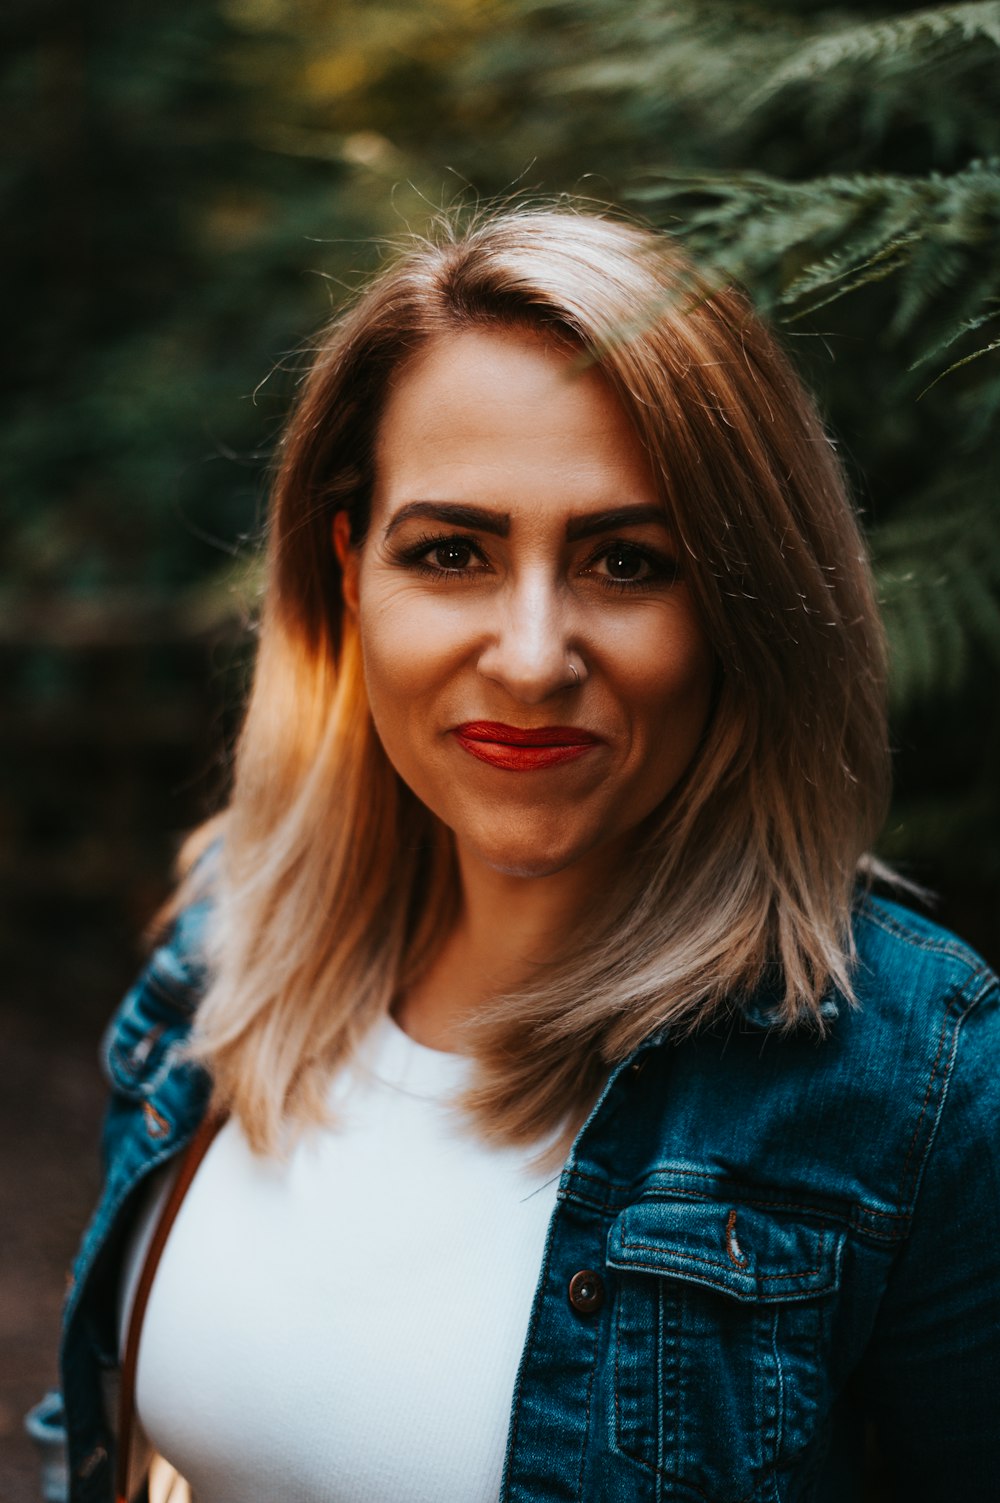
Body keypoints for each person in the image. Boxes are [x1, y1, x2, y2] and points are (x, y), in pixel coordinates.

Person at [45, 206, 999, 1503]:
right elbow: (91, 1425)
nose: (535, 656)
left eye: (626, 561)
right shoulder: (223, 948)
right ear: (350, 571)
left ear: (744, 603)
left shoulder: (916, 1087)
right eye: (453, 553)